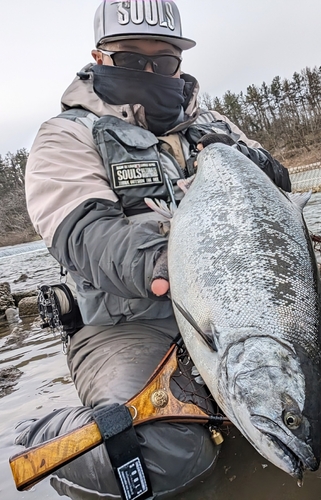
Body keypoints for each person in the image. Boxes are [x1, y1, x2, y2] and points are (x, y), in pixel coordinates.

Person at [19, 1, 291, 498]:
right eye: (129, 60)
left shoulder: (216, 126)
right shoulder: (64, 137)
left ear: (179, 64)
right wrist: (185, 264)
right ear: (100, 59)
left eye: (162, 62)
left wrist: (252, 161)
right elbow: (87, 238)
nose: (148, 71)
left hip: (227, 313)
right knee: (164, 461)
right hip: (125, 329)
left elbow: (277, 191)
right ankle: (40, 433)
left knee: (317, 382)